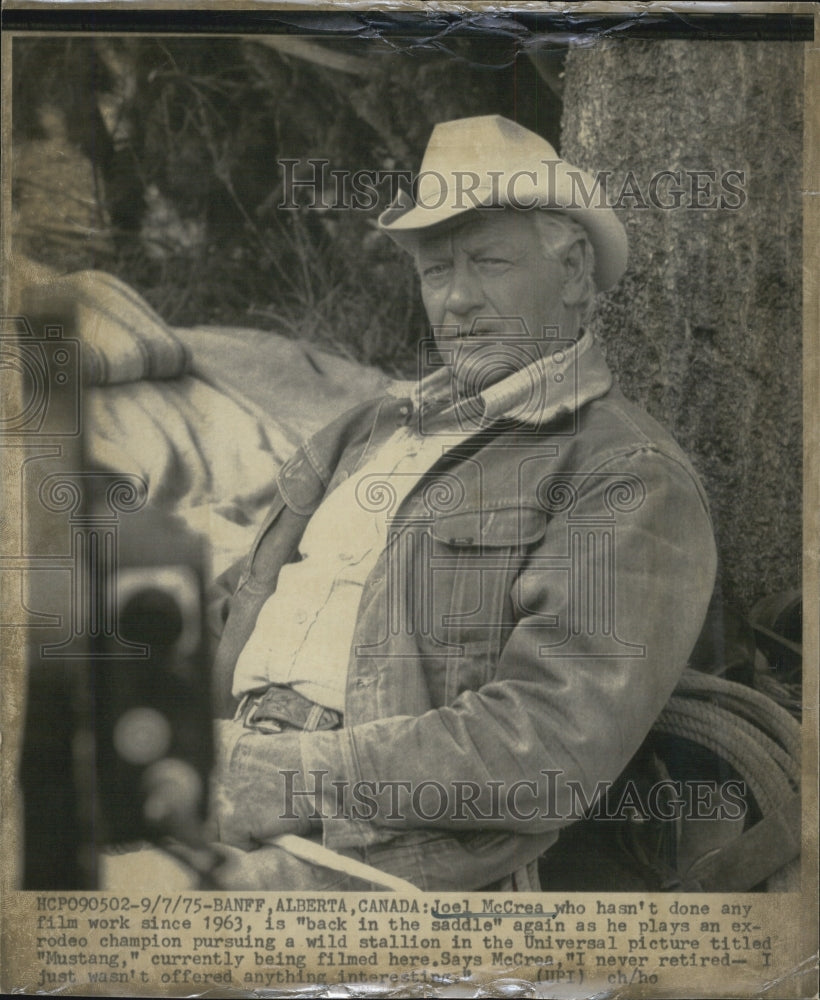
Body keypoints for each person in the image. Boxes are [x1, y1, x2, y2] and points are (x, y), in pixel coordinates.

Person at [111, 115, 718, 892]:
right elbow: (236, 608)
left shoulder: (624, 472)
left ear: (571, 273)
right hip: (223, 776)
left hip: (387, 854)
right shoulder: (371, 428)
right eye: (436, 271)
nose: (457, 301)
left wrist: (298, 777)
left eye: (489, 262)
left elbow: (553, 745)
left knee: (86, 917)